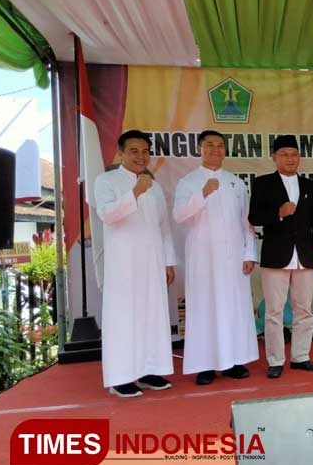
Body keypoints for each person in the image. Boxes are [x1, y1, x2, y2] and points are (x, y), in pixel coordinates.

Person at [94, 130, 176, 398]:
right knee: (124, 319)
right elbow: (107, 214)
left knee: (152, 316)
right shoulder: (106, 180)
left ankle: (149, 370)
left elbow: (164, 227)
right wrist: (134, 192)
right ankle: (121, 377)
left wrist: (168, 261)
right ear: (121, 153)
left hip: (152, 263)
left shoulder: (154, 186)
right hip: (124, 265)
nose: (141, 156)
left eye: (145, 151)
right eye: (134, 151)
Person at [173, 130, 258, 385]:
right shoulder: (188, 182)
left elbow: (247, 222)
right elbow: (179, 216)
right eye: (209, 145)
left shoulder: (236, 182)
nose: (215, 150)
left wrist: (249, 252)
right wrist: (203, 194)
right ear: (199, 149)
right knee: (205, 309)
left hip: (233, 259)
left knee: (234, 308)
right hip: (204, 258)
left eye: (220, 145)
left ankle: (234, 361)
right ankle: (205, 365)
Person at [249, 135, 313, 378]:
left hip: (304, 255)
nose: (290, 159)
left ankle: (301, 356)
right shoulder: (262, 184)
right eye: (284, 154)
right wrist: (279, 213)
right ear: (274, 157)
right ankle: (275, 360)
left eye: (294, 154)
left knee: (304, 309)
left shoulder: (309, 186)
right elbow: (254, 218)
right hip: (276, 255)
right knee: (273, 311)